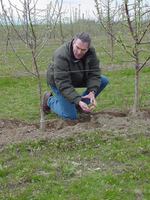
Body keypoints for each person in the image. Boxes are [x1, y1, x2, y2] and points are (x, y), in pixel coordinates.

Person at [43, 32, 109, 120]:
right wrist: (77, 100)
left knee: (103, 80)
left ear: (88, 48)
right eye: (77, 47)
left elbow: (94, 73)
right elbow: (63, 83)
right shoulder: (61, 55)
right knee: (70, 117)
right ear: (73, 42)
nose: (79, 52)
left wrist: (92, 92)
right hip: (58, 82)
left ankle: (79, 107)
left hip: (76, 76)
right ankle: (49, 100)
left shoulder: (91, 52)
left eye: (83, 50)